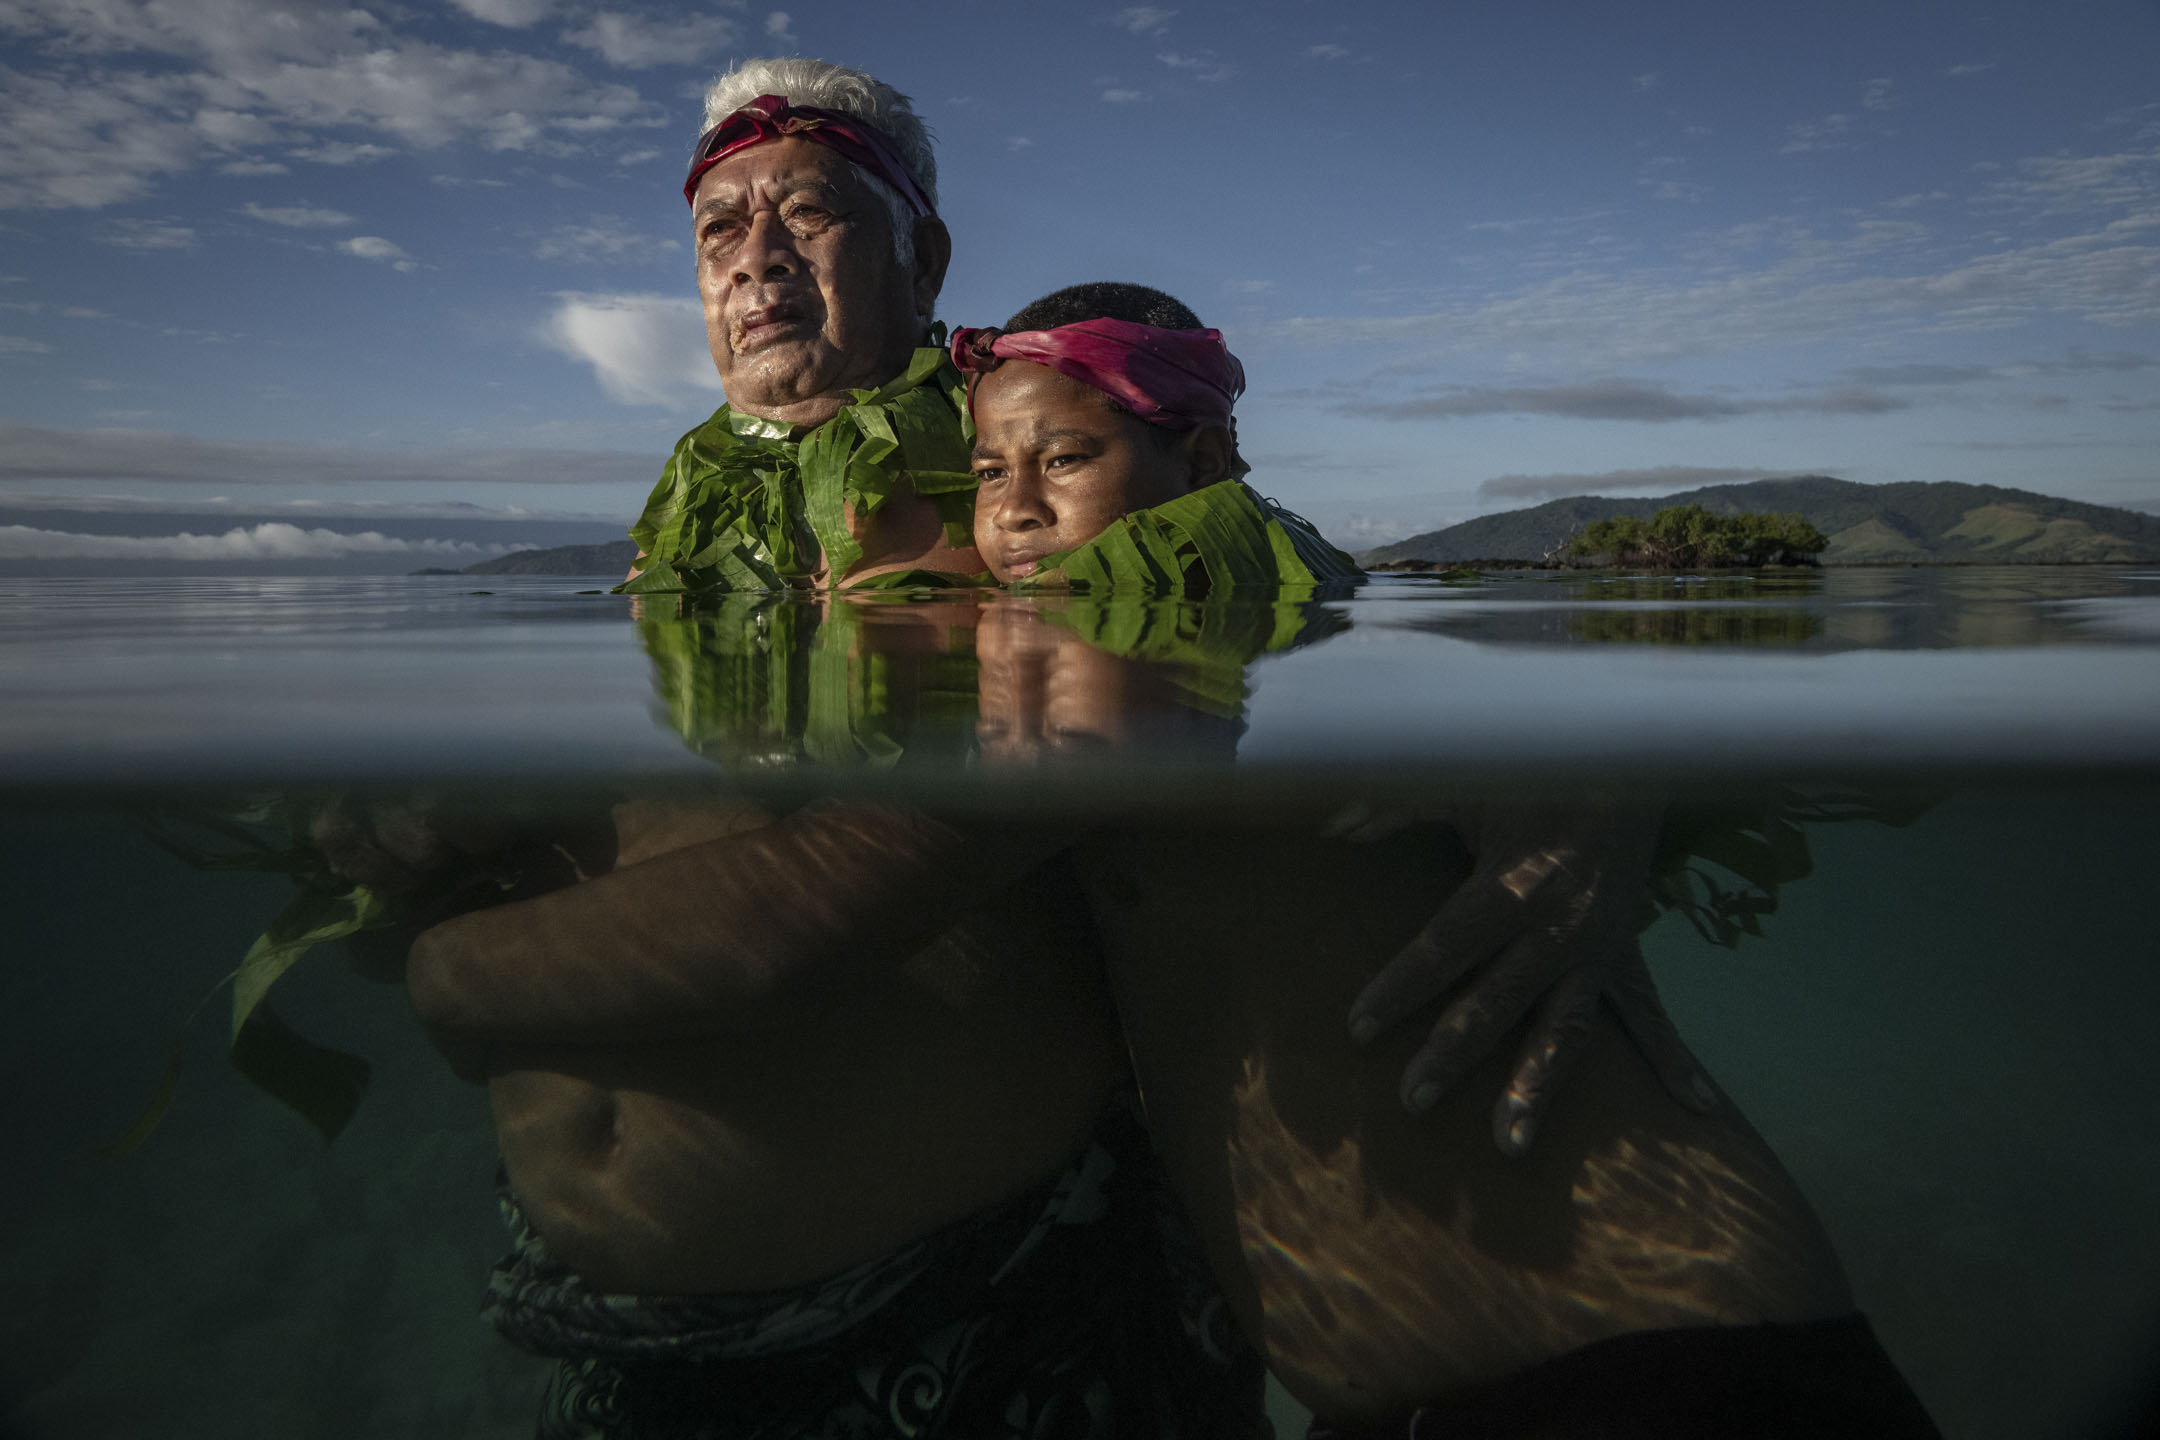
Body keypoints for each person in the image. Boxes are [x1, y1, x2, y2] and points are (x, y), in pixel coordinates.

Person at [383, 58, 1706, 1438]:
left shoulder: (1017, 475)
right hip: (628, 1346)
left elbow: (1290, 574)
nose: (757, 262)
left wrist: (1603, 761)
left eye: (811, 214)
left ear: (923, 250)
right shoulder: (691, 526)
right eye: (721, 230)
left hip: (978, 1311)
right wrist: (426, 848)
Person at [948, 285, 1939, 1435]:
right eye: (985, 473)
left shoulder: (1305, 621)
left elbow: (1545, 713)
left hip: (1660, 1361)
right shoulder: (1058, 660)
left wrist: (1607, 774)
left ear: (1207, 458)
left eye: (1065, 459)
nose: (1015, 510)